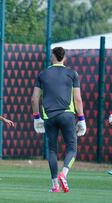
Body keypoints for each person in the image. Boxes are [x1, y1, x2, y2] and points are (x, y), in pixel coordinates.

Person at [31, 47, 86, 193]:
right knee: (72, 148)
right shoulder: (72, 73)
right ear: (64, 58)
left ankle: (55, 185)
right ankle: (64, 174)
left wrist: (36, 118)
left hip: (49, 117)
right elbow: (78, 99)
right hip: (67, 115)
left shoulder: (43, 74)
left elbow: (34, 98)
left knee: (52, 150)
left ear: (53, 56)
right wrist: (81, 119)